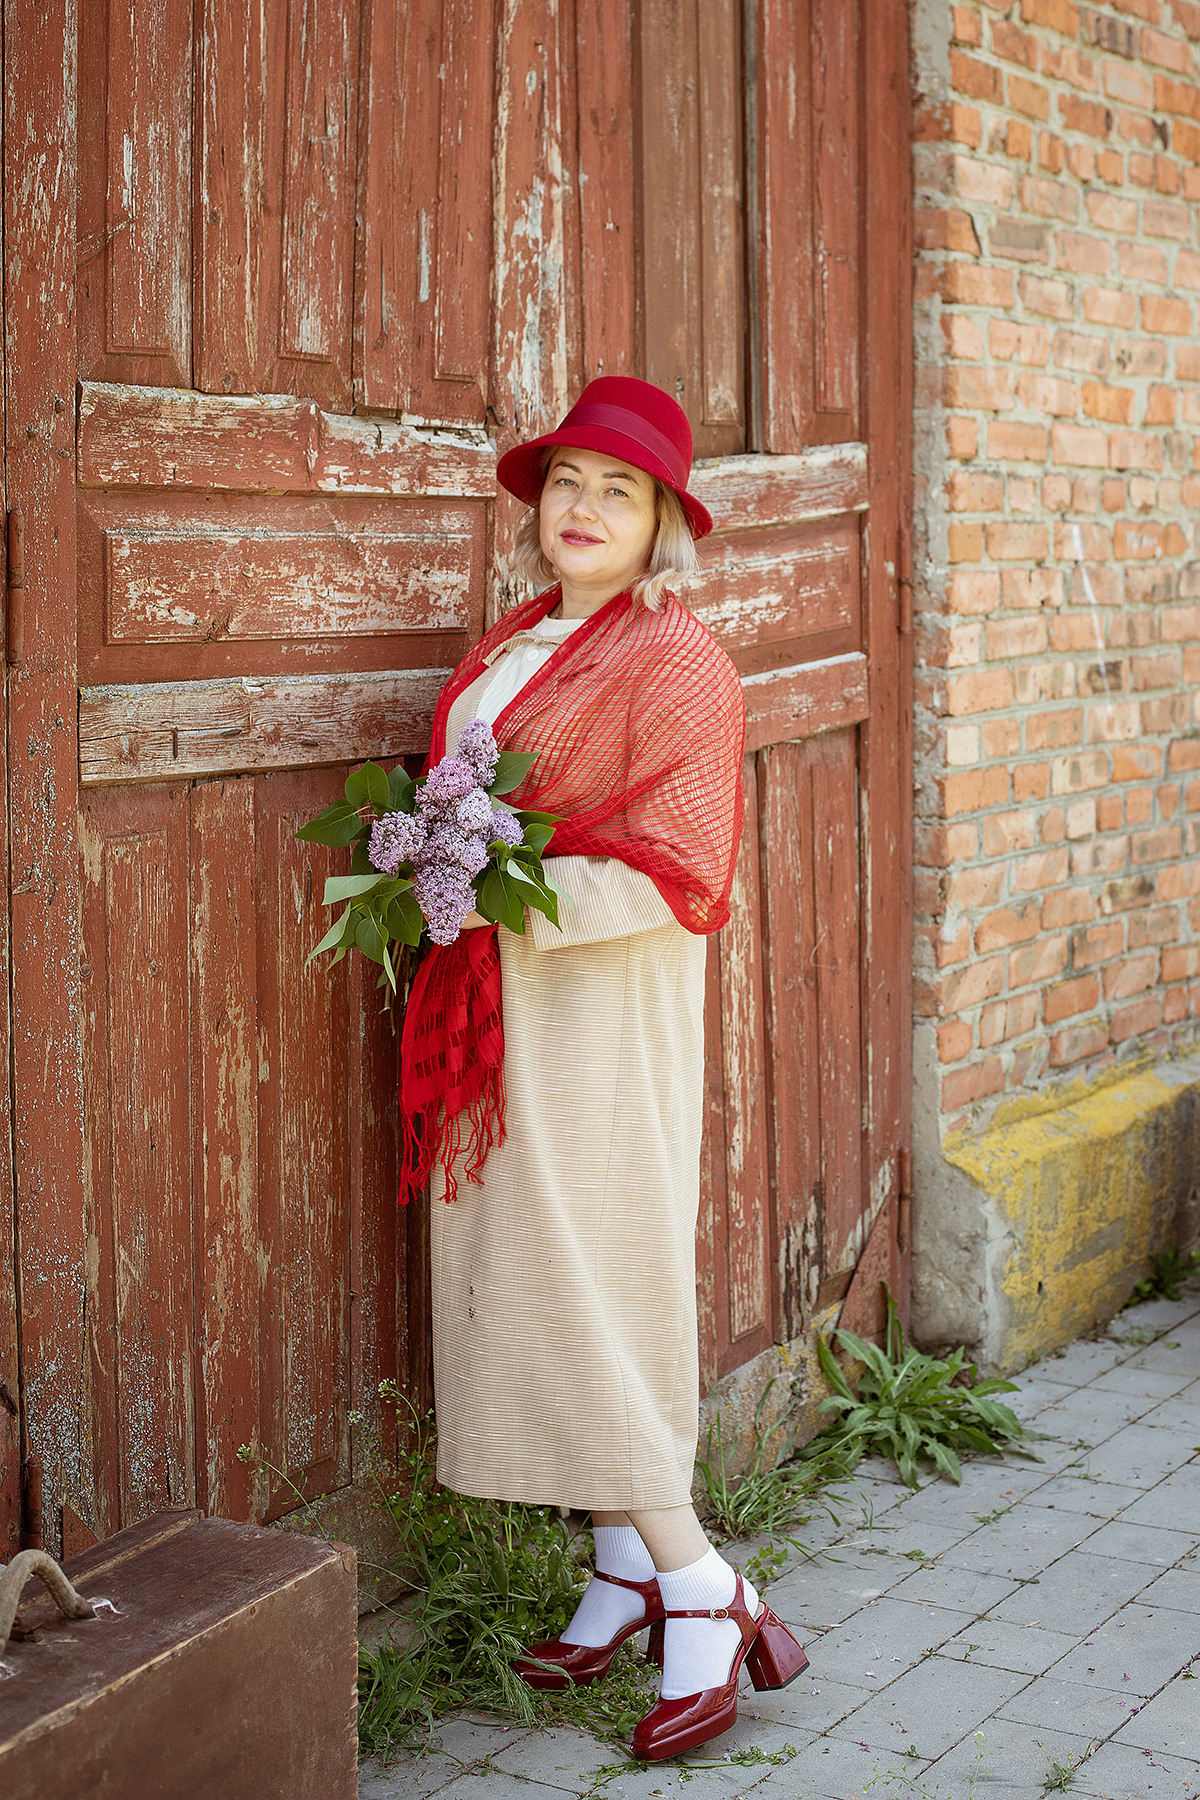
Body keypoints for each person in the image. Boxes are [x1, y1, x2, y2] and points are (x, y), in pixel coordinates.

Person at [405, 377, 809, 1761]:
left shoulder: (679, 662)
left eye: (615, 491)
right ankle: (621, 1570)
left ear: (662, 527)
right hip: (496, 1011)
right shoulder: (519, 637)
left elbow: (684, 873)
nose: (579, 509)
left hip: (597, 1019)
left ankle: (705, 1586)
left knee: (590, 1278)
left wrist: (496, 887)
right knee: (519, 1271)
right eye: (564, 481)